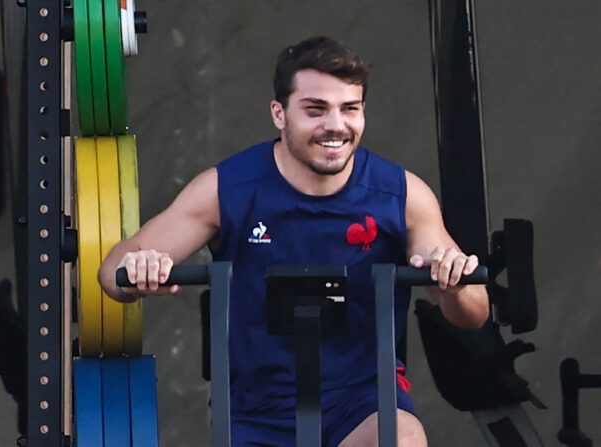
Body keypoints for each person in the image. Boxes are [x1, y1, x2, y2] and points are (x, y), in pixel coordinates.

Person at [98, 36, 489, 446]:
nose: (335, 125)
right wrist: (140, 268)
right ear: (279, 114)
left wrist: (454, 284)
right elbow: (112, 273)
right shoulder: (226, 189)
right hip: (255, 411)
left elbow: (475, 314)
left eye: (349, 109)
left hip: (362, 404)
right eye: (315, 110)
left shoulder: (402, 195)